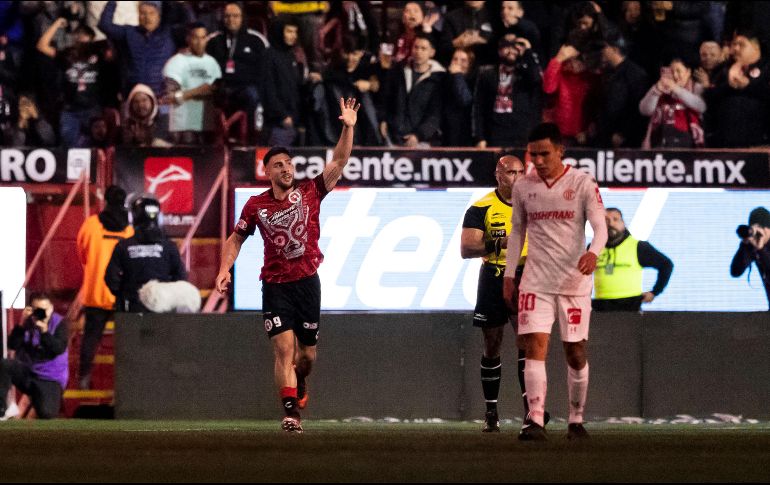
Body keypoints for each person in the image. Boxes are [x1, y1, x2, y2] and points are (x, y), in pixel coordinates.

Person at [214, 97, 359, 434]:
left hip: (307, 282)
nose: (285, 168)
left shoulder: (310, 192)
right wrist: (224, 269)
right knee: (283, 349)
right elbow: (235, 239)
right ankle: (291, 413)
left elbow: (339, 160)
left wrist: (348, 128)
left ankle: (300, 382)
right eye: (277, 165)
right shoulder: (256, 205)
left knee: (306, 357)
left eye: (288, 163)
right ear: (267, 172)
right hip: (275, 285)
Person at [502, 122, 607, 441]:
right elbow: (517, 231)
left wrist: (593, 252)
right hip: (535, 281)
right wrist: (509, 274)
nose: (538, 160)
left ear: (560, 150)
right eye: (533, 154)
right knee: (534, 345)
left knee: (575, 351)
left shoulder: (582, 183)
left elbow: (600, 227)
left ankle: (576, 418)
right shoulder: (524, 186)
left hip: (574, 282)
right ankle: (535, 419)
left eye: (544, 154)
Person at [461, 155, 548, 432]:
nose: (518, 177)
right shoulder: (481, 207)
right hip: (494, 275)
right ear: (498, 175)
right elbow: (467, 249)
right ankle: (491, 411)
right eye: (511, 172)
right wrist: (499, 243)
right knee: (492, 344)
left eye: (521, 172)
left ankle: (531, 411)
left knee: (528, 341)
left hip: (525, 276)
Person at [75, 185, 133, 389]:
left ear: (105, 200)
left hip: (95, 292)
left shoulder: (91, 225)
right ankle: (127, 382)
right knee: (126, 340)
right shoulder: (128, 230)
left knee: (91, 338)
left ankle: (83, 379)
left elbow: (82, 254)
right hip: (120, 293)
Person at [105, 195, 187, 313]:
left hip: (132, 309)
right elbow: (181, 277)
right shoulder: (169, 247)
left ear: (133, 217)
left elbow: (111, 279)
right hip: (163, 309)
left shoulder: (123, 246)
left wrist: (126, 294)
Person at [36, 20, 108, 147]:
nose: (82, 38)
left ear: (91, 38)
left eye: (86, 35)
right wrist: (57, 24)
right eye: (79, 34)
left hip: (92, 109)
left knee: (97, 144)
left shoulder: (98, 53)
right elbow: (42, 46)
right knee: (69, 146)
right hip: (70, 110)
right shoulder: (67, 54)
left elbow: (113, 48)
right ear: (74, 37)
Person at [206, 2, 270, 140]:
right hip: (220, 87)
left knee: (253, 95)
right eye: (227, 16)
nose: (231, 20)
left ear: (242, 17)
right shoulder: (213, 40)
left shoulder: (256, 40)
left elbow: (266, 70)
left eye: (235, 16)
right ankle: (208, 140)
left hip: (245, 87)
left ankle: (253, 139)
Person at [0, 292, 69, 419]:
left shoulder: (59, 323)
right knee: (4, 364)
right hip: (29, 374)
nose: (42, 313)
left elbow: (58, 348)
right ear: (31, 309)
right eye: (38, 310)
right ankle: (2, 408)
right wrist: (21, 324)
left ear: (51, 308)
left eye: (45, 309)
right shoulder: (28, 323)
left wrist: (44, 332)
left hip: (50, 378)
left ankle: (40, 397)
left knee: (46, 414)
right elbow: (12, 345)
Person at [593, 208, 673, 312]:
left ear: (623, 223)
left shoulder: (638, 247)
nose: (611, 223)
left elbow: (666, 265)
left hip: (630, 307)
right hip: (600, 308)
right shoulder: (593, 248)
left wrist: (655, 292)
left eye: (615, 219)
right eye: (606, 220)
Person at [473, 33, 542, 148]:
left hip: (521, 134)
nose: (511, 50)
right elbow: (478, 107)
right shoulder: (487, 74)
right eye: (506, 46)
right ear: (499, 51)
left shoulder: (525, 73)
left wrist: (528, 51)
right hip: (494, 133)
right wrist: (480, 137)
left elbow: (536, 79)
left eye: (515, 46)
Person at [380, 32, 445, 147]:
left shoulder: (439, 79)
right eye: (416, 47)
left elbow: (434, 115)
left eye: (423, 48)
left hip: (422, 142)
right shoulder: (398, 71)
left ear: (432, 52)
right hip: (393, 138)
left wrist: (418, 135)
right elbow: (386, 99)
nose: (418, 51)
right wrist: (383, 119)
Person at [162, 22, 222, 145]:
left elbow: (216, 93)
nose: (200, 42)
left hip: (207, 128)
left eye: (203, 37)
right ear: (188, 39)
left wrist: (189, 94)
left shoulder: (213, 63)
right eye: (195, 38)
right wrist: (199, 90)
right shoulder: (175, 63)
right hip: (182, 128)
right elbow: (169, 98)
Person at [639, 58, 706, 149]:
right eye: (672, 71)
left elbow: (701, 106)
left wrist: (676, 89)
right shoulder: (660, 86)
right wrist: (656, 92)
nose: (675, 75)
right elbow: (644, 110)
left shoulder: (696, 87)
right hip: (661, 142)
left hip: (688, 143)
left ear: (688, 72)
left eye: (678, 71)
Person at [731, 207, 770, 310]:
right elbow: (735, 271)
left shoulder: (760, 248)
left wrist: (761, 250)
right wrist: (745, 245)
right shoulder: (754, 245)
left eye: (762, 228)